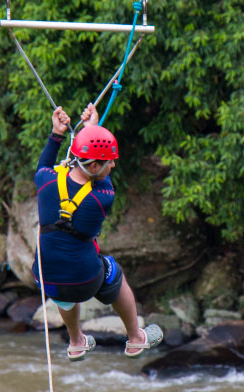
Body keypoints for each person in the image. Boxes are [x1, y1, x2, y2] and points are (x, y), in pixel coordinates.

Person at [32, 103, 163, 361]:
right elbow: (102, 179)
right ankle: (136, 338)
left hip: (45, 280)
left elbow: (46, 162)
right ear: (93, 167)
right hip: (83, 282)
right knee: (113, 271)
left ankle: (76, 342)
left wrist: (56, 134)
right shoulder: (102, 197)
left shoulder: (45, 179)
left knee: (63, 285)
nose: (113, 165)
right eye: (109, 162)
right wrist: (93, 128)